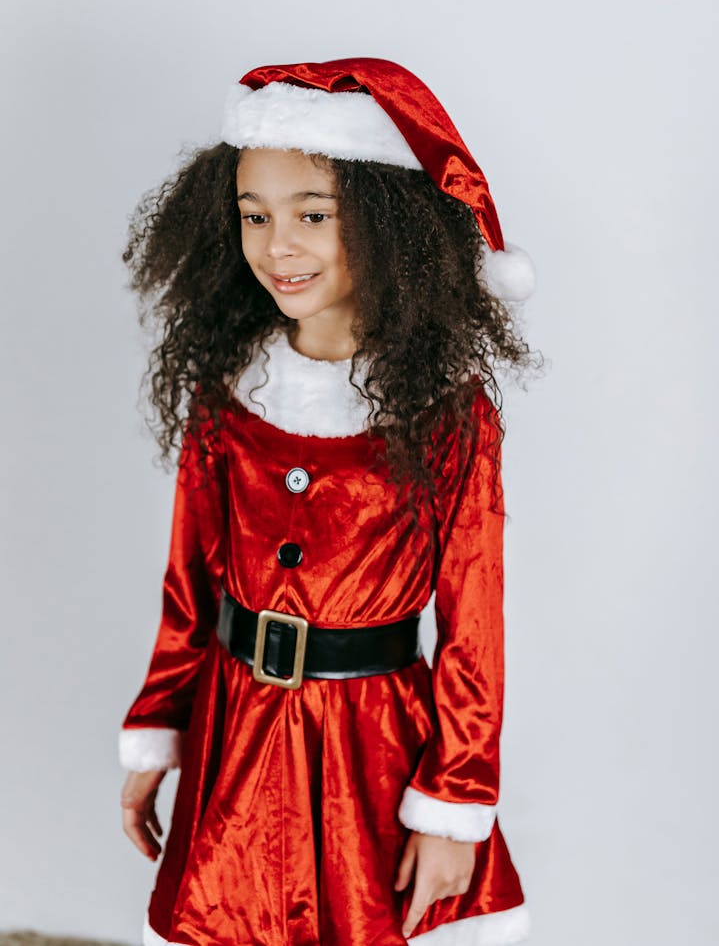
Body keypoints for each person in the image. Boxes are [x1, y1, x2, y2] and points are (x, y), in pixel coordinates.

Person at [118, 57, 542, 946]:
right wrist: (159, 723)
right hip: (234, 738)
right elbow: (187, 584)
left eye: (314, 215)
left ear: (388, 226)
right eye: (256, 216)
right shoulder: (227, 390)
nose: (280, 246)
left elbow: (474, 626)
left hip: (374, 755)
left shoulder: (447, 412)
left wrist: (453, 802)